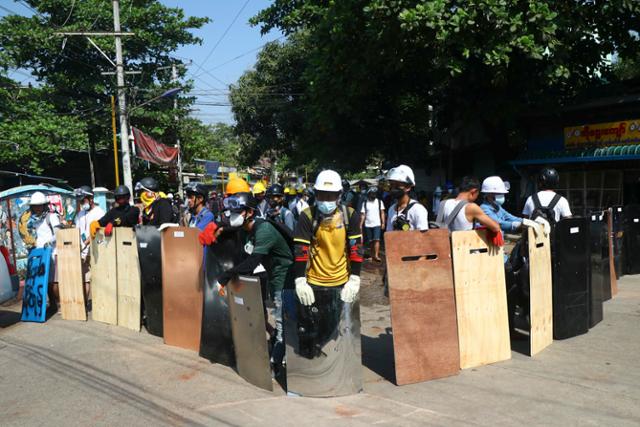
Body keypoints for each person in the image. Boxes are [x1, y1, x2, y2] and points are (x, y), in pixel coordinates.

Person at [198, 191, 292, 370]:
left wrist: (225, 277)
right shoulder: (245, 226)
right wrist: (215, 227)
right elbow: (227, 223)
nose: (233, 216)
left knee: (281, 320)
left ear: (249, 212)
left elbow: (252, 262)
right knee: (273, 318)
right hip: (273, 275)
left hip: (286, 276)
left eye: (238, 211)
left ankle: (277, 364)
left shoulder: (263, 230)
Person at [293, 170, 363, 307]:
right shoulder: (307, 216)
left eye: (331, 196)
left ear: (339, 195)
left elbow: (356, 248)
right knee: (314, 326)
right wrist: (300, 280)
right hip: (313, 283)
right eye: (322, 195)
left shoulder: (350, 215)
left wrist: (355, 278)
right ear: (316, 194)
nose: (326, 200)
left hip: (342, 282)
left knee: (341, 327)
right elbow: (301, 250)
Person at [436, 176, 503, 245]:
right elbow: (496, 228)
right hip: (463, 249)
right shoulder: (471, 207)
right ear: (473, 192)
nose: (477, 197)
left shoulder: (443, 203)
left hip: (444, 248)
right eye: (477, 194)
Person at [74, 186, 105, 303]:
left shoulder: (99, 212)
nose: (81, 203)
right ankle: (84, 304)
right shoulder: (80, 214)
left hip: (96, 250)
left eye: (83, 200)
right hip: (83, 251)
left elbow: (98, 232)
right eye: (80, 201)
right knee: (85, 279)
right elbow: (77, 230)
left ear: (91, 198)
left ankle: (101, 304)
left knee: (98, 279)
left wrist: (86, 242)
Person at [385, 165, 429, 232]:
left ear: (408, 187)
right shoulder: (391, 209)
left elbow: (423, 238)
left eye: (397, 185)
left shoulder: (417, 209)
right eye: (392, 185)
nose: (393, 189)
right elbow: (389, 234)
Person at [360, 187, 385, 262]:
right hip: (368, 224)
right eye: (372, 194)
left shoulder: (379, 202)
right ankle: (371, 255)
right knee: (370, 241)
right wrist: (360, 224)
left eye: (374, 193)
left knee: (377, 240)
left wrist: (383, 222)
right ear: (369, 194)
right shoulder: (365, 203)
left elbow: (382, 212)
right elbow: (363, 214)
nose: (373, 195)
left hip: (377, 224)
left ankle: (376, 255)